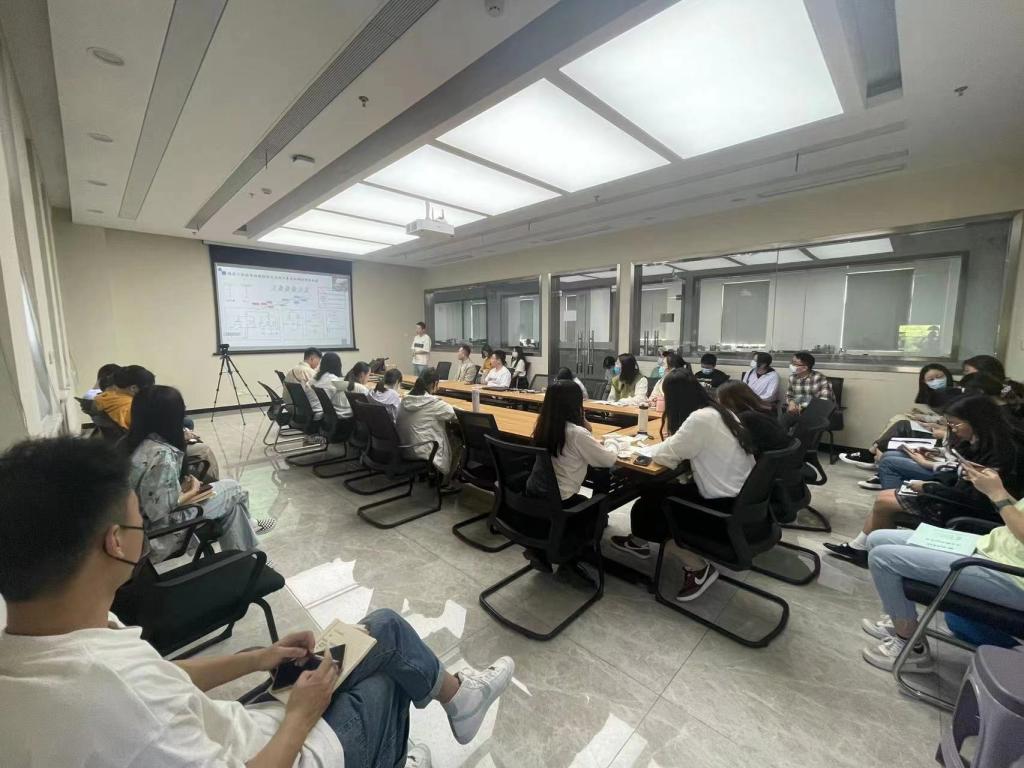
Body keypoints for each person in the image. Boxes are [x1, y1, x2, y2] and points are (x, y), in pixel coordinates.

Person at [0, 436, 514, 768]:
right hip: (283, 750)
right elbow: (142, 697)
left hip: (231, 730)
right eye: (140, 521)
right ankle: (413, 733)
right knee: (386, 669)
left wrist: (258, 658)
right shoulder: (109, 695)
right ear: (116, 542)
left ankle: (456, 700)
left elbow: (160, 679)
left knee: (376, 631)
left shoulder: (41, 648)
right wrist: (300, 717)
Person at [857, 463, 1024, 671]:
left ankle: (912, 648)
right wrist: (996, 490)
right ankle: (900, 619)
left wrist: (997, 494)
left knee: (883, 559)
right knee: (878, 539)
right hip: (991, 548)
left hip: (1012, 575)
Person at [824, 395, 1024, 566]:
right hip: (959, 496)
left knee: (885, 501)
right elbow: (957, 473)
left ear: (977, 421)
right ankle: (861, 547)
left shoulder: (1003, 455)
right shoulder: (978, 442)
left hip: (972, 509)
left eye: (955, 424)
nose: (952, 429)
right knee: (885, 497)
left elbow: (978, 498)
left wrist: (930, 488)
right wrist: (933, 481)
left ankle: (872, 552)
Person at [609, 370, 756, 600]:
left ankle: (698, 568)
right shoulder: (720, 411)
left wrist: (638, 449)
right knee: (654, 490)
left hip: (721, 509)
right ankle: (638, 541)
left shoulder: (700, 419)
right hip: (743, 501)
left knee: (653, 499)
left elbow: (668, 454)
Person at [124, 385, 271, 562]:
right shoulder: (162, 456)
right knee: (234, 488)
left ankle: (246, 557)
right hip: (160, 534)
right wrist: (192, 491)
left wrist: (178, 487)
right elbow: (160, 511)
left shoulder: (134, 443)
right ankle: (250, 538)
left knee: (234, 508)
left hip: (137, 528)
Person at [527, 381, 617, 554]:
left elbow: (585, 431)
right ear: (576, 404)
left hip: (534, 495)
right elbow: (608, 460)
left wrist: (582, 421)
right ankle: (578, 552)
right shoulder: (576, 433)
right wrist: (613, 442)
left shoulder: (543, 425)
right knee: (600, 500)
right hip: (560, 503)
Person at [397, 367, 462, 491]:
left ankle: (432, 474)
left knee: (442, 430)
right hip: (420, 451)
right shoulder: (433, 403)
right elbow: (459, 415)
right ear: (434, 384)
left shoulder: (405, 398)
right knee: (457, 440)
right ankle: (445, 483)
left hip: (402, 447)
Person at [716, 380, 790, 455]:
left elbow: (744, 446)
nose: (718, 401)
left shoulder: (746, 417)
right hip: (778, 455)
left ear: (729, 400)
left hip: (767, 457)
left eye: (719, 398)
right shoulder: (761, 409)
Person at [93, 364, 155, 429]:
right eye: (147, 389)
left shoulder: (105, 398)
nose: (149, 392)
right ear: (133, 388)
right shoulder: (129, 408)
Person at [782, 351, 833, 425]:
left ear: (805, 367)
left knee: (801, 426)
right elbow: (789, 395)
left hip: (816, 412)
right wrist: (791, 402)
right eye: (791, 362)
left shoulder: (819, 378)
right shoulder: (792, 378)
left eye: (794, 363)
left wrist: (803, 406)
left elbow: (825, 400)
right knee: (782, 420)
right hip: (797, 411)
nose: (791, 365)